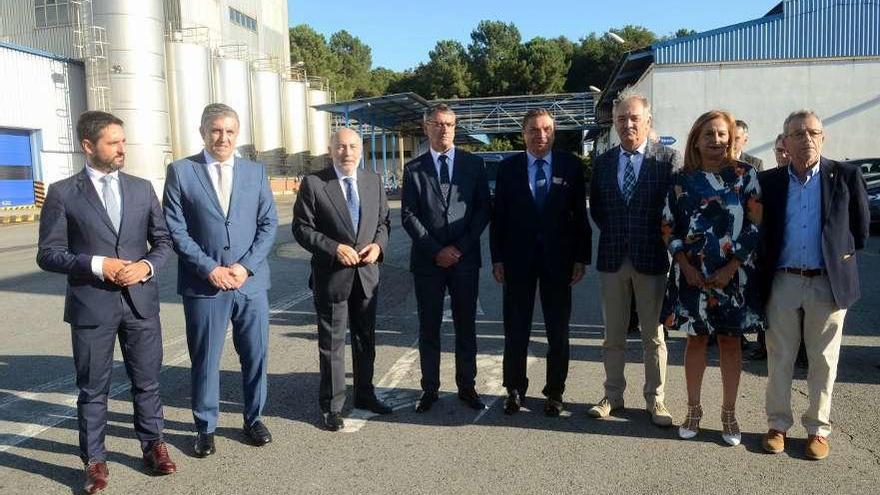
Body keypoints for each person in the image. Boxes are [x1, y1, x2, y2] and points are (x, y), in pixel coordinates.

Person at [37, 111, 176, 494]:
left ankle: (153, 446)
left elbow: (163, 242)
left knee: (146, 382)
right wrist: (98, 264)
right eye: (114, 142)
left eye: (123, 141)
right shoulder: (63, 193)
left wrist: (146, 266)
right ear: (88, 146)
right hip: (92, 306)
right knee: (93, 390)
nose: (122, 149)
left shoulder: (141, 188)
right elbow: (48, 254)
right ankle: (95, 462)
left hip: (140, 303)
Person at [163, 103, 278, 456]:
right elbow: (175, 228)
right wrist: (209, 268)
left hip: (249, 283)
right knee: (205, 357)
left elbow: (268, 224)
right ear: (202, 132)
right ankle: (205, 427)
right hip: (205, 284)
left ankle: (253, 418)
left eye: (229, 131)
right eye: (215, 130)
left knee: (255, 354)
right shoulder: (181, 171)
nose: (222, 137)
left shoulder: (256, 173)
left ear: (237, 134)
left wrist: (245, 266)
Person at [758, 110, 870, 460]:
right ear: (785, 142)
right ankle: (777, 424)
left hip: (827, 282)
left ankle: (818, 430)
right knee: (780, 357)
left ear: (823, 138)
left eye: (813, 132)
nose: (806, 138)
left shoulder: (846, 176)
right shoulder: (770, 182)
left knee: (824, 359)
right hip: (783, 279)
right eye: (797, 133)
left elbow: (860, 230)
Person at [661, 110, 763, 446]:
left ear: (731, 138)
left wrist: (730, 267)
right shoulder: (681, 180)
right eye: (709, 135)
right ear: (696, 139)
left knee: (731, 343)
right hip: (690, 277)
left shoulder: (745, 175)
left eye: (721, 134)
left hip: (733, 277)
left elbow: (754, 226)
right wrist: (686, 267)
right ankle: (693, 410)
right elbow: (668, 227)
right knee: (697, 341)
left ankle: (729, 414)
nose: (716, 141)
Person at [587, 89, 682, 426]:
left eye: (634, 118)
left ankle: (656, 400)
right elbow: (597, 209)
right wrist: (619, 233)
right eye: (621, 119)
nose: (627, 124)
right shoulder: (603, 163)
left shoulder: (667, 160)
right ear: (614, 123)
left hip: (652, 259)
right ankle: (612, 396)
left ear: (647, 121)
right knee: (613, 335)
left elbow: (674, 210)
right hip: (613, 259)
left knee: (653, 337)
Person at [490, 108, 591, 417]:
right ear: (524, 134)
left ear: (554, 132)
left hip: (558, 263)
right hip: (517, 262)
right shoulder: (508, 168)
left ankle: (555, 392)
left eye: (547, 129)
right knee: (516, 330)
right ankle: (515, 389)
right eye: (534, 130)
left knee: (558, 332)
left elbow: (580, 217)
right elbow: (499, 218)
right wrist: (497, 258)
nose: (541, 135)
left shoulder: (571, 166)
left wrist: (581, 258)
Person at [292, 127, 392, 431]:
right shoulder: (314, 184)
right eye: (340, 147)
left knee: (365, 340)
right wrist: (334, 249)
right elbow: (302, 229)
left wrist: (379, 246)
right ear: (330, 149)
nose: (346, 152)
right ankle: (332, 406)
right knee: (332, 344)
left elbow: (384, 223)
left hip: (366, 276)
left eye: (352, 146)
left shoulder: (373, 181)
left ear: (360, 149)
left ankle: (365, 394)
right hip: (332, 276)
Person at [401, 104, 491, 412]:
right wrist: (436, 250)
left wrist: (458, 249)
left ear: (456, 127)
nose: (444, 130)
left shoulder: (473, 164)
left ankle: (467, 387)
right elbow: (409, 215)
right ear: (426, 128)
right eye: (437, 124)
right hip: (429, 263)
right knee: (429, 328)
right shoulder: (413, 169)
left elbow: (482, 211)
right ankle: (429, 389)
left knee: (466, 326)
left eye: (450, 124)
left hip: (464, 260)